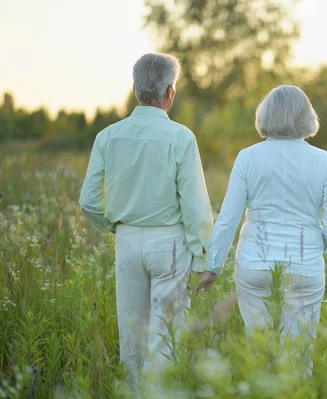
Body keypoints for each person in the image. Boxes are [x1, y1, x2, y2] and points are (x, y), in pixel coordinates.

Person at [79, 53, 216, 386]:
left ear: (136, 88)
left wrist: (116, 224)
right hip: (169, 243)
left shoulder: (107, 136)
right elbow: (196, 206)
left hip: (126, 241)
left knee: (132, 334)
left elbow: (87, 202)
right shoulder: (182, 137)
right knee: (166, 333)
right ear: (170, 92)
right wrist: (203, 256)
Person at [206, 85, 327, 376]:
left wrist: (212, 266)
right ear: (307, 117)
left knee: (259, 357)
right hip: (305, 269)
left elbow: (228, 219)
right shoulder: (324, 161)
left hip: (254, 266)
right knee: (298, 361)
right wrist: (316, 245)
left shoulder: (247, 157)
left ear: (265, 116)